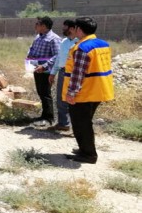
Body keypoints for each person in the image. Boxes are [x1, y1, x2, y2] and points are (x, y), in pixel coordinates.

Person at [63, 17, 114, 164]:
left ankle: (88, 154)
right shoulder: (102, 44)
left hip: (84, 92)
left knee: (81, 123)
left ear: (79, 29)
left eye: (76, 28)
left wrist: (71, 93)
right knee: (85, 122)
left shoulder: (82, 48)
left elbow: (78, 73)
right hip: (99, 89)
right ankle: (85, 148)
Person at [26, 16, 61, 126]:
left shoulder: (53, 39)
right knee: (41, 92)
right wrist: (30, 57)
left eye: (37, 24)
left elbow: (57, 56)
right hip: (37, 69)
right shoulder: (38, 37)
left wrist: (45, 66)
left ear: (44, 26)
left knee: (46, 93)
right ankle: (44, 115)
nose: (35, 26)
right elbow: (32, 48)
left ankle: (49, 118)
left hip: (46, 71)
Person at [47, 20, 77, 131]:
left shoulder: (79, 42)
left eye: (65, 28)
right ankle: (63, 124)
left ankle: (77, 128)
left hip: (74, 74)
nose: (63, 30)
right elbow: (59, 58)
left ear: (73, 28)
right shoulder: (64, 41)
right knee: (60, 98)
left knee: (75, 99)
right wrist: (53, 73)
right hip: (63, 72)